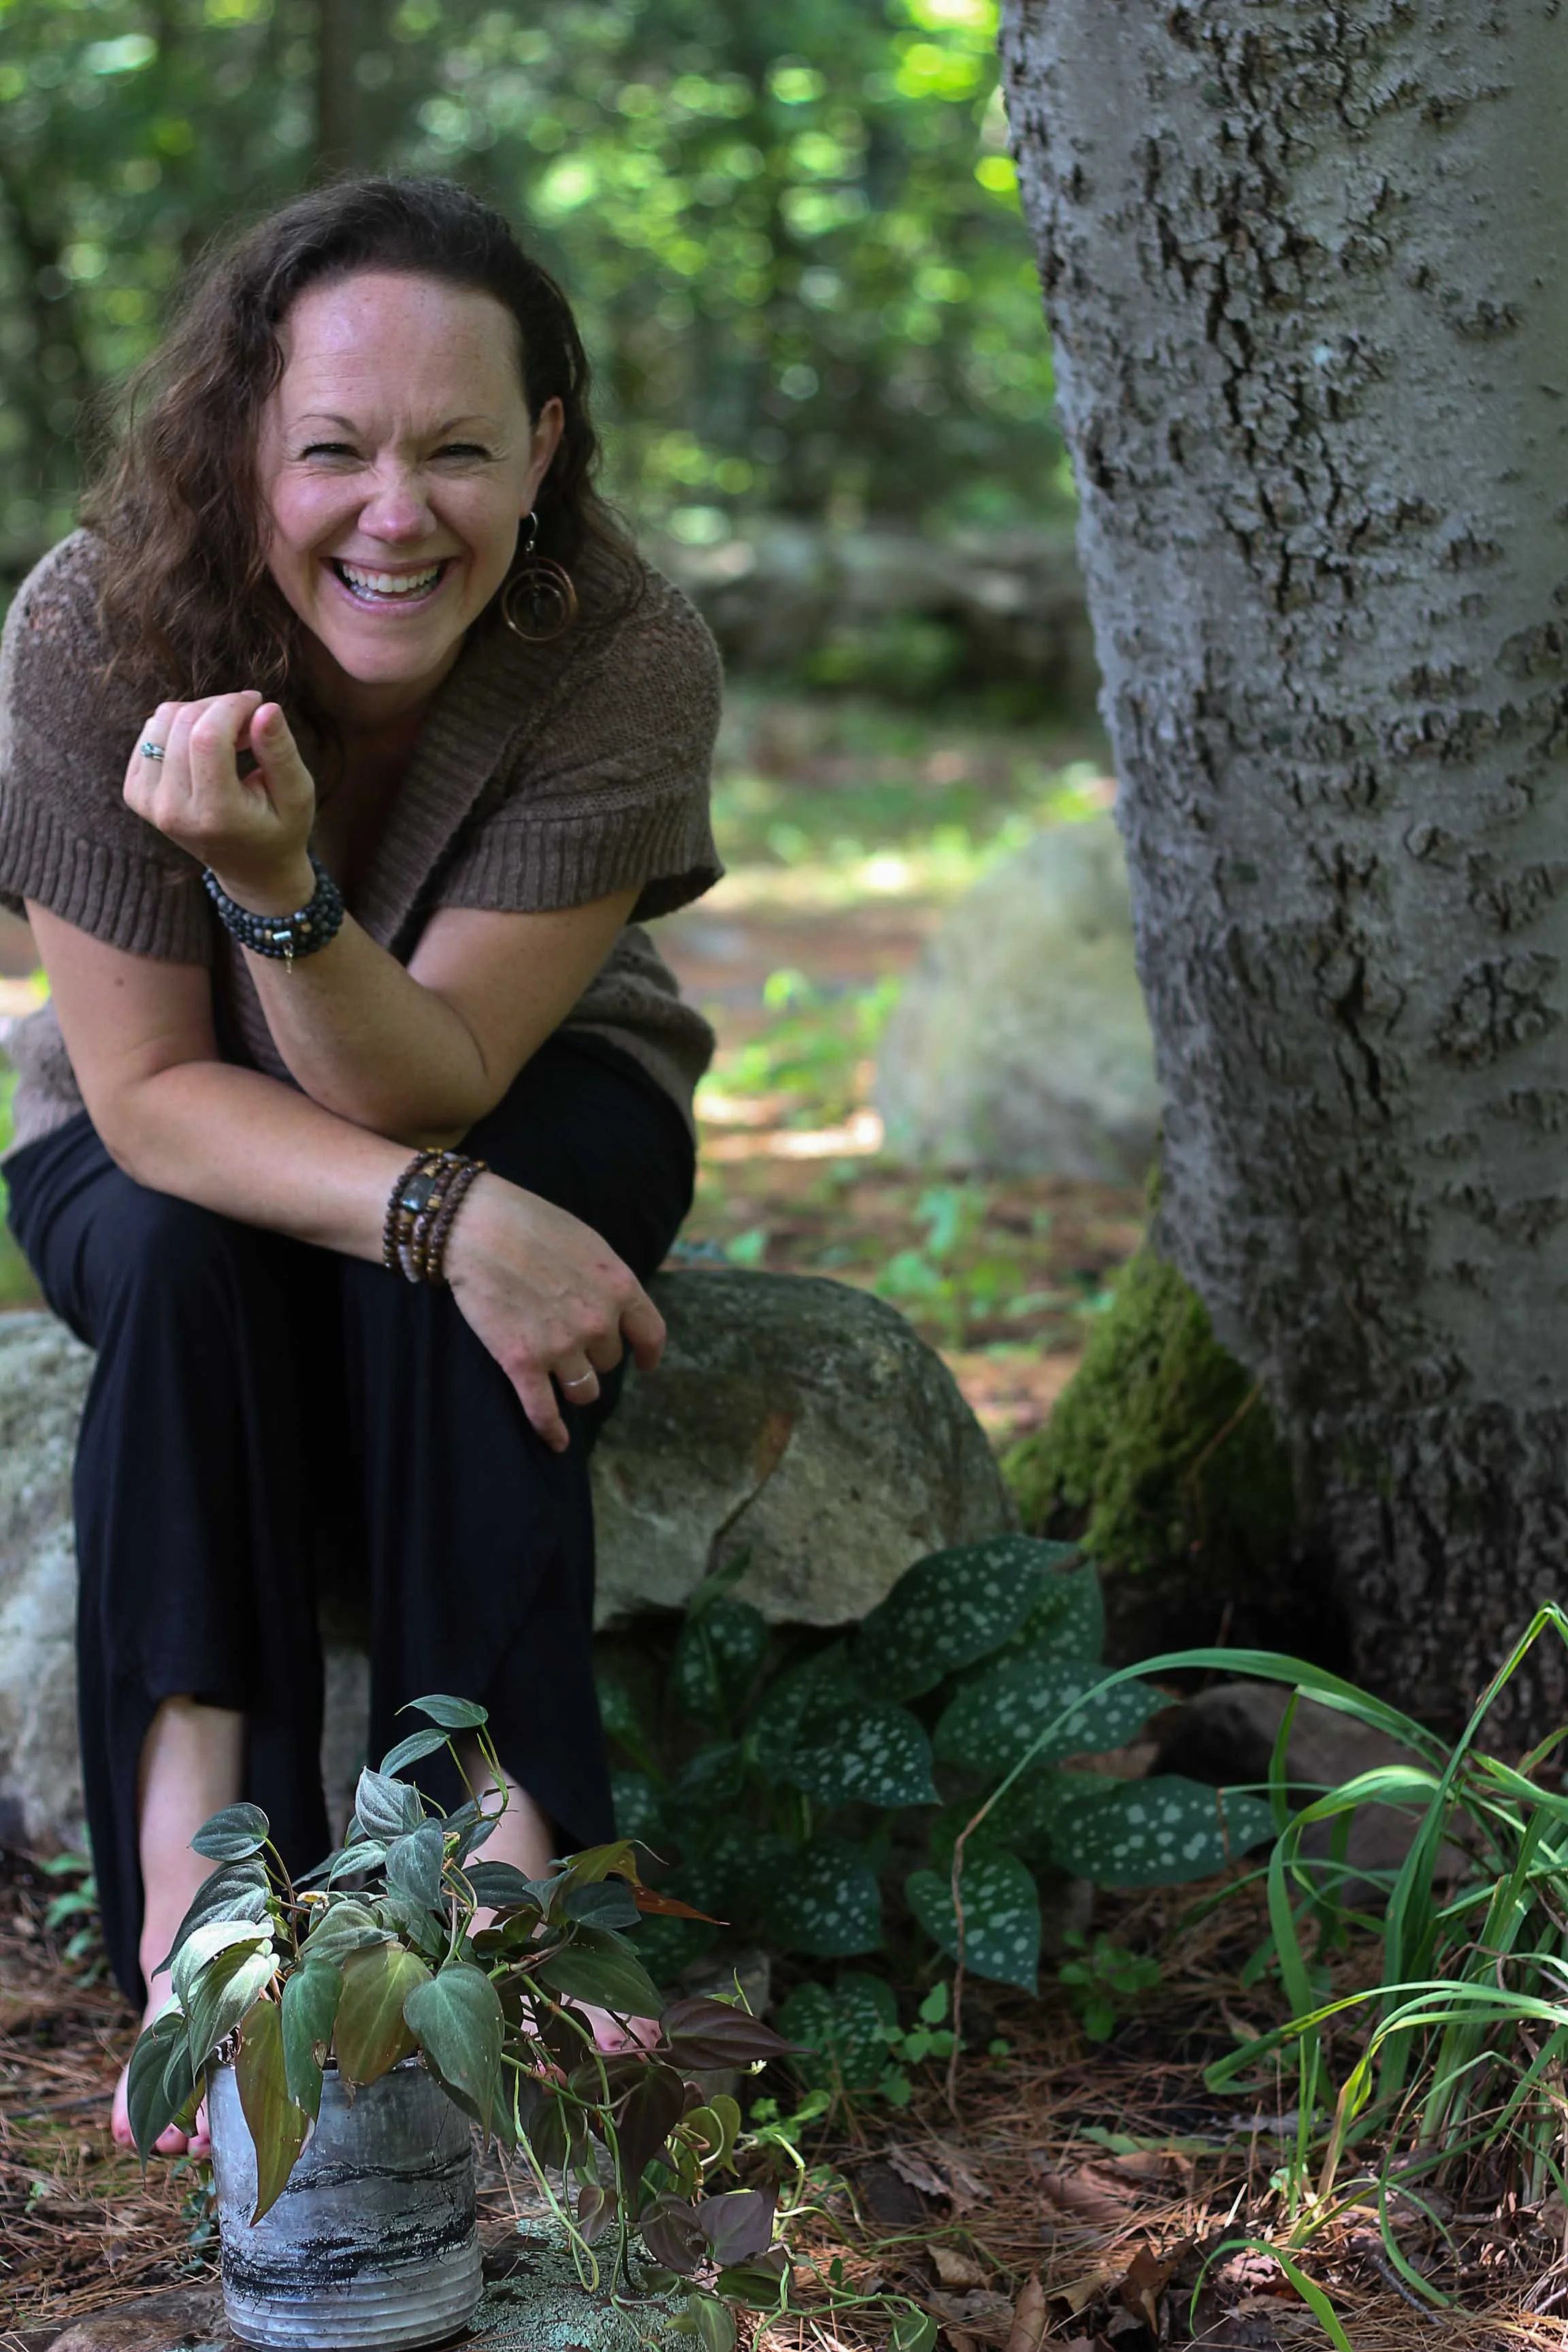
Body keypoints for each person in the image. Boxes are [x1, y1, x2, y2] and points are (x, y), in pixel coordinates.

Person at [0, 178, 722, 2153]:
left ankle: (498, 1869)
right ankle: (196, 1889)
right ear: (245, 440)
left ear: (545, 449)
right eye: (332, 447)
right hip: (169, 1115)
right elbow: (148, 1099)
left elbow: (445, 1080)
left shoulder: (622, 652)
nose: (396, 513)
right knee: (176, 1249)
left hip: (530, 1073)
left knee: (481, 1203)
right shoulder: (85, 630)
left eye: (459, 450)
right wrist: (450, 1225)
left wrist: (286, 900)